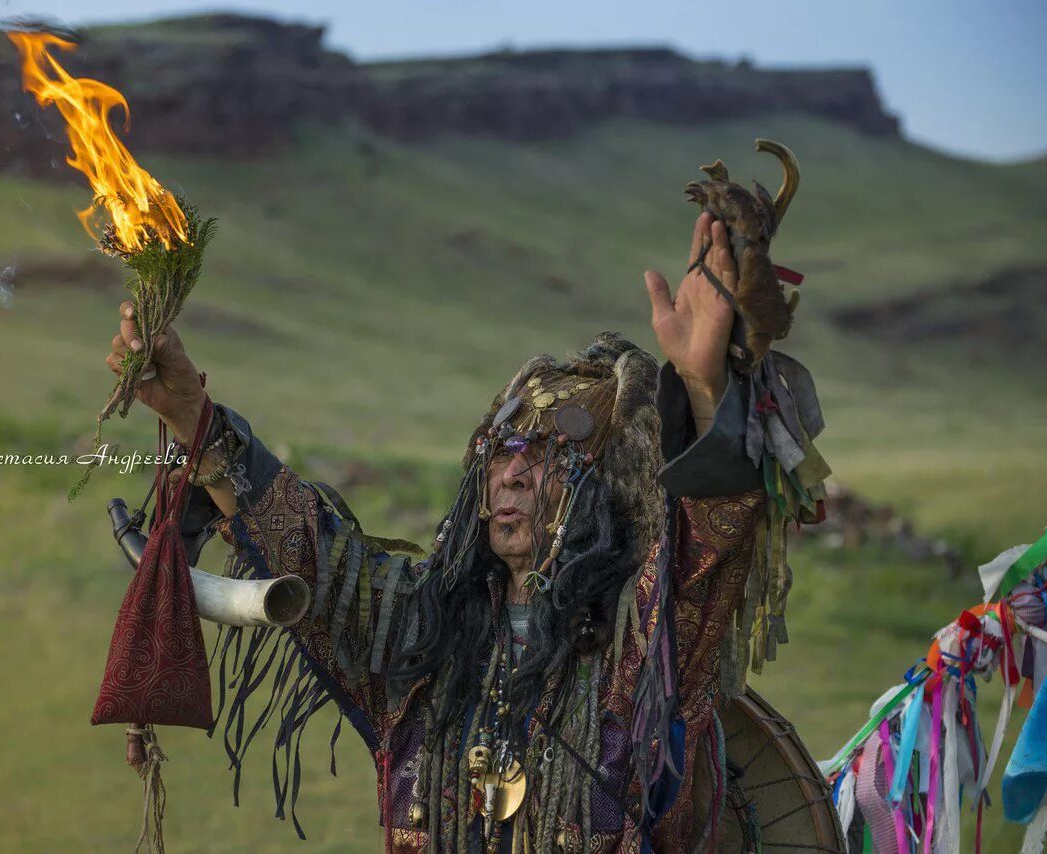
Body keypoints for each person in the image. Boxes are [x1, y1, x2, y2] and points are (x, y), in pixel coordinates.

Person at [105, 211, 823, 852]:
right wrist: (192, 416)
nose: (510, 475)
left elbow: (707, 548)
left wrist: (703, 390)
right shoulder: (420, 637)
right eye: (499, 454)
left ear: (603, 494)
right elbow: (318, 563)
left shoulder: (642, 649)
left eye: (550, 457)